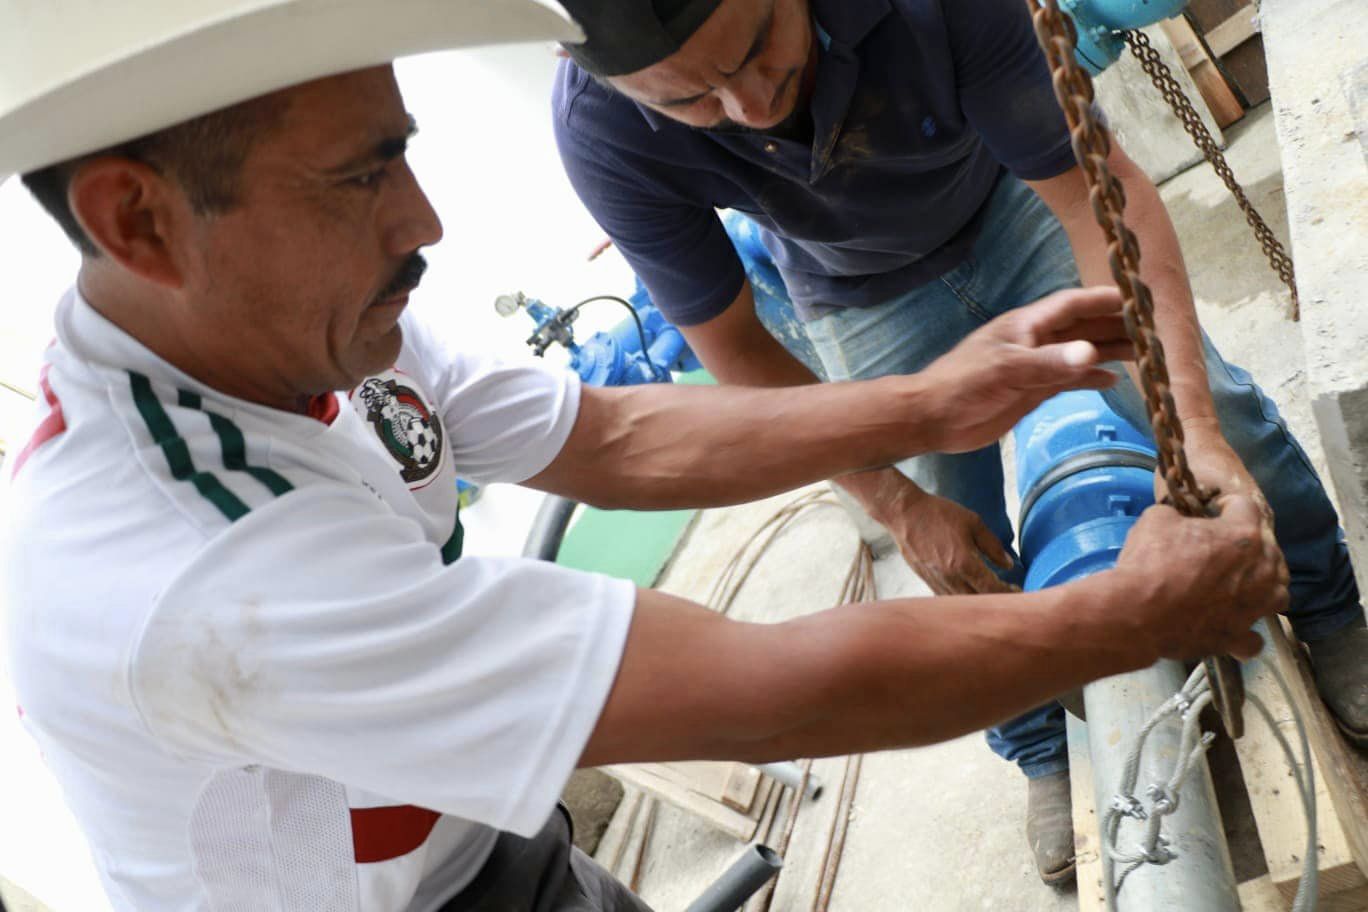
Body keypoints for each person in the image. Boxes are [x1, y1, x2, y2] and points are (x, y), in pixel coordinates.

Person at [1, 2, 1287, 910]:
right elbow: (778, 688)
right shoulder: (200, 581)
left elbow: (615, 429)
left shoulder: (317, 336)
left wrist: (923, 406)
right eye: (363, 173)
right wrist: (1134, 610)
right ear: (139, 220)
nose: (426, 220)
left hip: (497, 856)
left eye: (407, 150)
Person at [548, 0, 1368, 883]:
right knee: (951, 547)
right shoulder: (600, 133)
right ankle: (1041, 747)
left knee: (1221, 416)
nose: (748, 107)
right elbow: (736, 352)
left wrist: (1195, 430)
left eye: (758, 53)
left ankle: (1328, 612)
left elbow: (1099, 199)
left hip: (1016, 204)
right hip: (859, 294)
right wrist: (898, 504)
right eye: (692, 102)